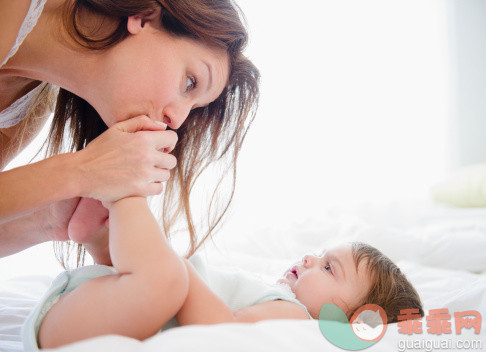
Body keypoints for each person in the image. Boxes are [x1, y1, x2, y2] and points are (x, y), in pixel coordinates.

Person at [0, 0, 259, 266]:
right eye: (190, 82)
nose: (178, 121)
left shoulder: (22, 113)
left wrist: (50, 220)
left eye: (193, 108)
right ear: (144, 18)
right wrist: (81, 170)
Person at [21, 195, 424, 350]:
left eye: (328, 267)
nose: (307, 260)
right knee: (158, 277)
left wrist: (178, 270)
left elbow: (220, 326)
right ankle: (101, 243)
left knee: (165, 278)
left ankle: (126, 194)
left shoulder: (298, 318)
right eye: (318, 254)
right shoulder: (279, 299)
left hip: (79, 321)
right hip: (89, 312)